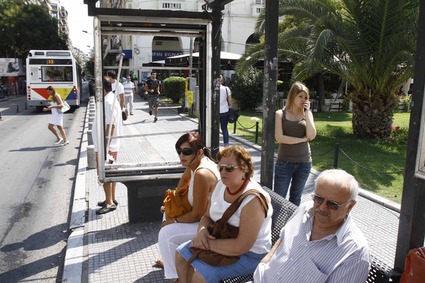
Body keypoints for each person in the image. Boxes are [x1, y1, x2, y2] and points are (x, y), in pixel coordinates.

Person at [175, 145, 273, 283]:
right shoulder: (220, 185)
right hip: (220, 239)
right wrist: (202, 232)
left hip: (249, 254)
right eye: (220, 167)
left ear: (244, 169)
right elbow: (207, 216)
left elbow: (242, 246)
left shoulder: (253, 200)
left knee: (200, 277)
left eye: (229, 168)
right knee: (180, 254)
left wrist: (206, 244)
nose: (223, 172)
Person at [253, 169, 370, 283]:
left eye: (332, 204)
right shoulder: (305, 209)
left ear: (350, 206)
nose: (322, 207)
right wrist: (265, 262)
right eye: (318, 199)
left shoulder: (354, 254)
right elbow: (283, 238)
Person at [158, 132, 220, 282]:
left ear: (199, 152)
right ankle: (171, 261)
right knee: (167, 213)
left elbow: (198, 214)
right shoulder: (193, 165)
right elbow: (181, 186)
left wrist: (173, 221)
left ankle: (176, 277)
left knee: (166, 233)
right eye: (179, 151)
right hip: (204, 219)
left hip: (210, 226)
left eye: (186, 151)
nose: (181, 155)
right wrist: (172, 204)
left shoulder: (202, 173)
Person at [274, 81, 317, 205]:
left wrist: (308, 114)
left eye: (305, 97)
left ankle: (293, 224)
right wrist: (301, 140)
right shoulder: (280, 114)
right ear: (292, 96)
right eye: (300, 96)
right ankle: (276, 224)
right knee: (279, 198)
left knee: (296, 198)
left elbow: (311, 135)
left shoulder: (307, 115)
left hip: (304, 163)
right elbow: (280, 138)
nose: (303, 100)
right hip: (284, 163)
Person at [92, 77, 123, 214]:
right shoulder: (110, 99)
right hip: (109, 145)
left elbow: (110, 126)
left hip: (107, 146)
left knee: (105, 173)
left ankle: (109, 202)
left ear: (102, 89)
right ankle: (111, 198)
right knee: (111, 172)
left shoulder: (108, 101)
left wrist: (105, 146)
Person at [219, 75, 232, 146]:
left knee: (214, 128)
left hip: (215, 111)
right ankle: (226, 144)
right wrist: (229, 106)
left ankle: (213, 142)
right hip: (225, 111)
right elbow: (230, 101)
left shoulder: (213, 89)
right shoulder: (226, 89)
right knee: (224, 129)